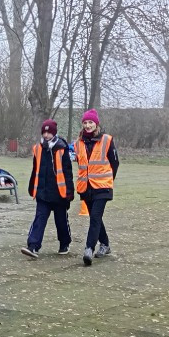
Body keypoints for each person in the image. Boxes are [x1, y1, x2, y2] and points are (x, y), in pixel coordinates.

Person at [21, 119, 73, 259]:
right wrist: (33, 187)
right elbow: (35, 169)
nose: (46, 135)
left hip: (59, 193)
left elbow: (68, 172)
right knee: (39, 219)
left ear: (54, 133)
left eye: (49, 132)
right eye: (44, 132)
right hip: (43, 193)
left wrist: (69, 192)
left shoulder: (62, 148)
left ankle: (64, 243)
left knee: (61, 220)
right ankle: (33, 246)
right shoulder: (38, 148)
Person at [75, 109, 119, 266]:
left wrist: (108, 180)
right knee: (96, 218)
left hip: (102, 187)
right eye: (85, 123)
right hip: (86, 188)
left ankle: (89, 249)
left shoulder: (106, 140)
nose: (88, 125)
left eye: (91, 122)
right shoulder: (78, 143)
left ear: (96, 124)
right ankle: (105, 244)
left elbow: (115, 163)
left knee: (94, 217)